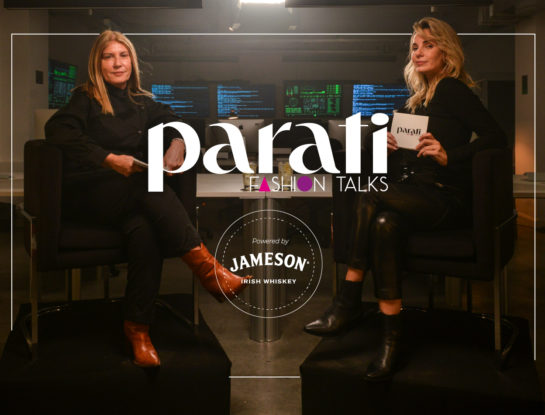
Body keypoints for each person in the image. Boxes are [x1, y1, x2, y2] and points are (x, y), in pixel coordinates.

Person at [304, 17, 507, 380]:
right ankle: (390, 341)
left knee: (369, 193)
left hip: (446, 199)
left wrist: (450, 154)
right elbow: (402, 157)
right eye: (415, 46)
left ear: (447, 52)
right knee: (384, 223)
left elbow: (496, 138)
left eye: (428, 44)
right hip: (415, 195)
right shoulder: (415, 102)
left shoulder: (452, 90)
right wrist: (382, 144)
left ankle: (348, 299)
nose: (419, 52)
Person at [45, 30, 251, 368]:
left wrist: (177, 144)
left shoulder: (142, 100)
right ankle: (208, 270)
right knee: (149, 186)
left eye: (123, 55)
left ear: (132, 62)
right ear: (98, 63)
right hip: (93, 193)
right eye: (108, 57)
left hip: (132, 197)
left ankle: (137, 329)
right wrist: (108, 158)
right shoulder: (86, 97)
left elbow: (178, 124)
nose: (117, 63)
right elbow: (57, 132)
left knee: (145, 230)